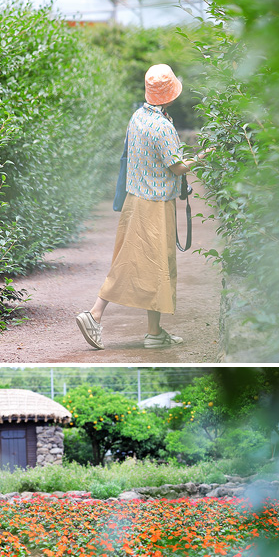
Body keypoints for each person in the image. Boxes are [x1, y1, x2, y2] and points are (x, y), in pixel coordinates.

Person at [76, 63, 206, 350]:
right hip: (155, 205)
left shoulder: (138, 117)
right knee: (142, 264)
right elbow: (177, 167)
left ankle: (154, 333)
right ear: (171, 94)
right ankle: (94, 314)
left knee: (150, 266)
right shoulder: (162, 126)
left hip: (135, 200)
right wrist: (203, 156)